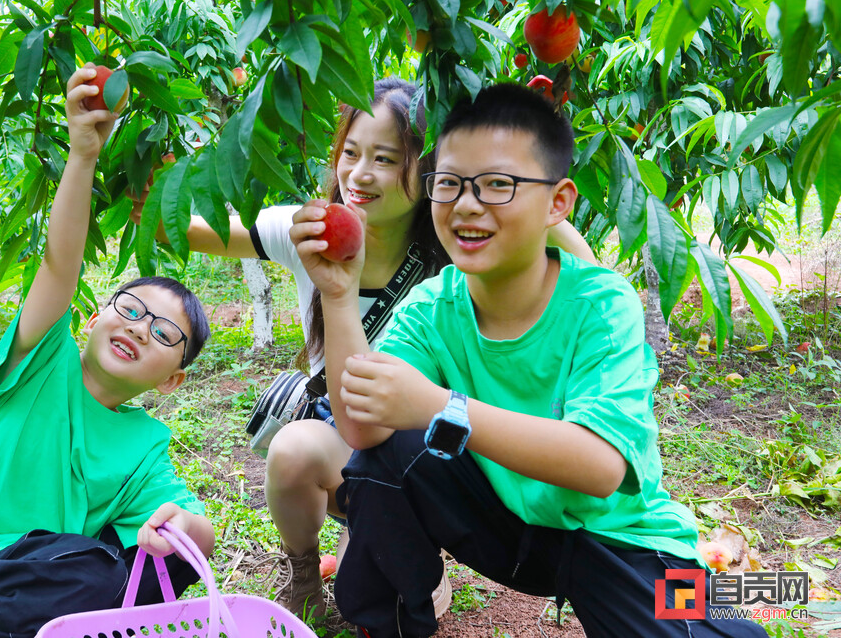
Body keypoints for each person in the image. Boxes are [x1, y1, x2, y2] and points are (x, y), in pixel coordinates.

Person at [291, 83, 767, 637]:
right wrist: (340, 295)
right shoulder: (434, 306)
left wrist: (446, 407)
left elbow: (600, 466)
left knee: (726, 632)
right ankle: (391, 626)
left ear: (557, 203)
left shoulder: (601, 304)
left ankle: (743, 599)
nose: (467, 204)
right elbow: (359, 428)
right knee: (382, 457)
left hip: (616, 542)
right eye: (449, 184)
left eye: (498, 185)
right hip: (504, 526)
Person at [133, 77, 596, 618]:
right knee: (294, 450)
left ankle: (419, 548)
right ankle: (302, 572)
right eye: (350, 152)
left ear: (429, 175)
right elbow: (195, 231)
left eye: (385, 158)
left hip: (426, 461)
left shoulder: (455, 252)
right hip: (348, 438)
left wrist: (536, 185)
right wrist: (139, 187)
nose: (359, 173)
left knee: (384, 594)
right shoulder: (309, 230)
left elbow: (582, 268)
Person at [0, 65, 215, 638]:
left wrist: (183, 525)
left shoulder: (144, 446)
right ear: (90, 320)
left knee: (150, 562)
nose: (142, 330)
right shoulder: (39, 361)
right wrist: (83, 154)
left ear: (171, 382)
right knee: (89, 572)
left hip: (52, 585)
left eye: (166, 334)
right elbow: (59, 265)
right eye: (132, 310)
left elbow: (198, 534)